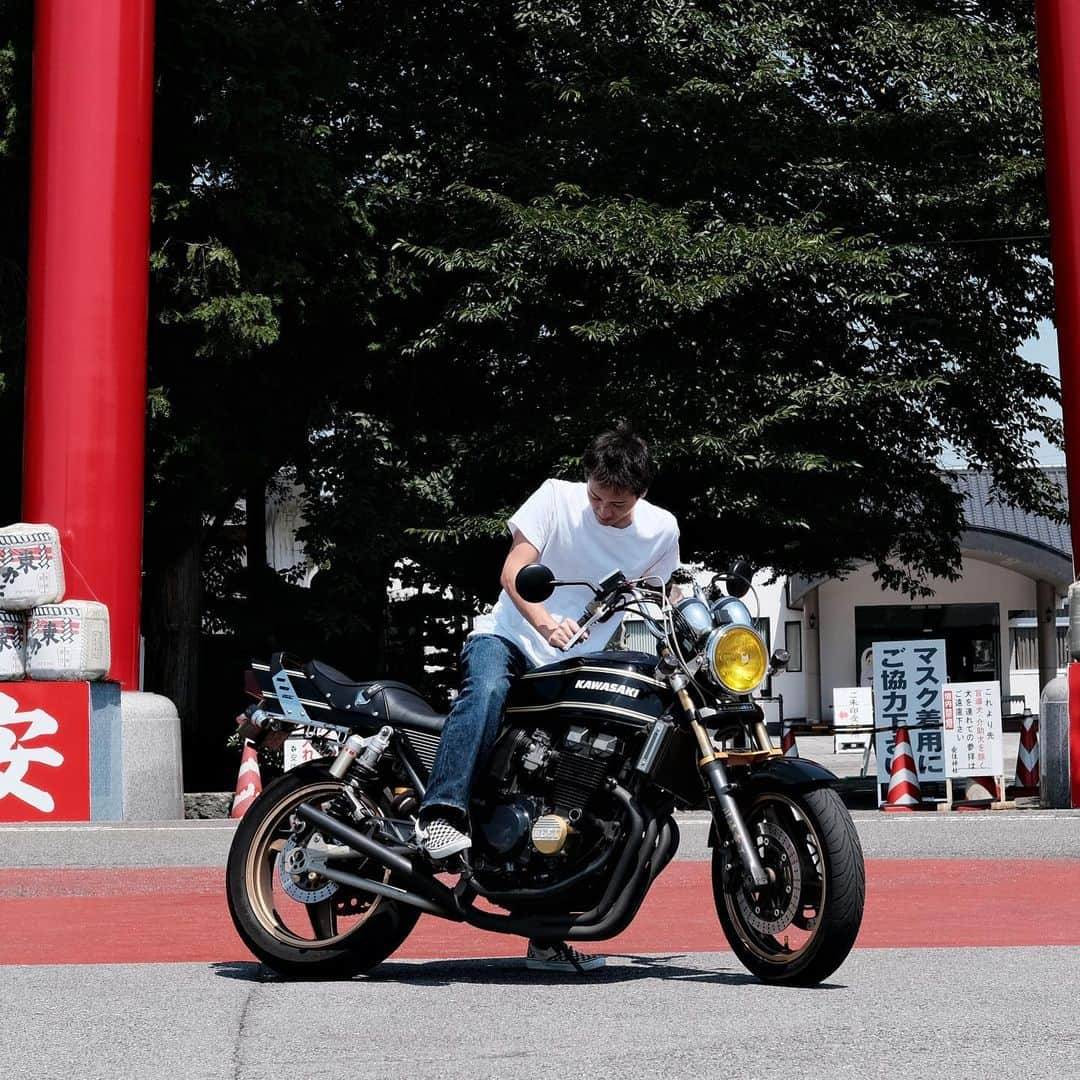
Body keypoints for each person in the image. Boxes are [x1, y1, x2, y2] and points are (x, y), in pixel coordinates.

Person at [416, 424, 681, 972]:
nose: (605, 512)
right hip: (512, 636)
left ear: (642, 495)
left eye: (618, 506)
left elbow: (665, 595)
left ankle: (546, 938)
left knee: (574, 785)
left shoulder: (661, 530)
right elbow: (515, 566)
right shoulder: (556, 498)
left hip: (579, 664)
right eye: (598, 499)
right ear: (586, 481)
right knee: (485, 688)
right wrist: (542, 619)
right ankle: (440, 813)